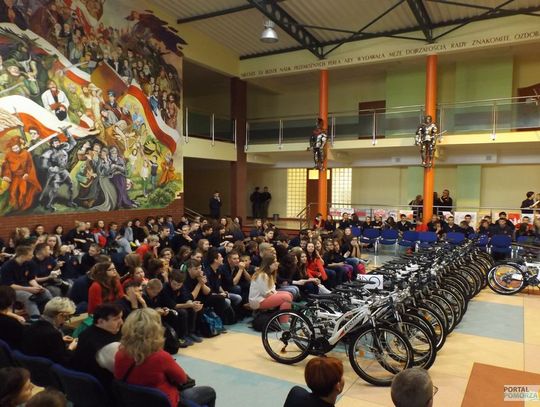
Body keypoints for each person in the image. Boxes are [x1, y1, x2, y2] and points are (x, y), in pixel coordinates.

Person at [114, 308, 216, 407]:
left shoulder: (119, 353)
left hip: (134, 401)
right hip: (165, 402)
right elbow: (182, 379)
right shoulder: (161, 357)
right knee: (209, 391)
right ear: (155, 330)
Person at [69, 304, 123, 388]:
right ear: (100, 321)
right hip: (104, 387)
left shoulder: (86, 332)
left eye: (121, 317)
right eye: (116, 319)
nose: (121, 322)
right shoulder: (108, 347)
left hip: (86, 383)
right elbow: (122, 372)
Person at [0, 245, 53, 319]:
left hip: (26, 287)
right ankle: (35, 319)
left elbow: (31, 279)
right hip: (11, 290)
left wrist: (37, 286)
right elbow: (10, 285)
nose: (32, 256)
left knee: (45, 292)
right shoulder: (7, 266)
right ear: (23, 256)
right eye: (30, 255)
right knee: (28, 297)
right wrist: (28, 289)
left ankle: (50, 315)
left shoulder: (30, 263)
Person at [20, 297, 77, 365]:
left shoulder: (31, 325)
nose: (65, 321)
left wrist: (60, 340)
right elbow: (63, 361)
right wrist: (71, 348)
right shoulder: (53, 334)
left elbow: (43, 343)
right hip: (43, 367)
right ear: (59, 316)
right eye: (67, 318)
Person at [248, 253, 293, 324]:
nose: (277, 263)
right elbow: (266, 294)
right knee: (287, 298)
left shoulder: (270, 274)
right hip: (258, 301)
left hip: (265, 297)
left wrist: (275, 294)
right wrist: (276, 295)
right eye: (275, 261)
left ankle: (285, 317)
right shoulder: (262, 275)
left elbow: (272, 290)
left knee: (289, 294)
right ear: (269, 264)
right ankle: (284, 322)